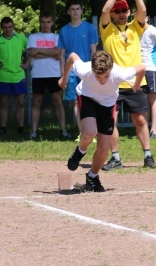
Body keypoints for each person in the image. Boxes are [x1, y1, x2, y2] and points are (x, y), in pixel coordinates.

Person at [61, 51, 145, 192]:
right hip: (87, 97)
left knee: (104, 147)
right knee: (90, 132)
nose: (102, 80)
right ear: (92, 70)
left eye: (106, 76)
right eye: (98, 76)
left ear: (111, 69)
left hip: (107, 104)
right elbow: (72, 56)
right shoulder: (85, 70)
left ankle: (92, 177)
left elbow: (142, 68)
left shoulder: (120, 73)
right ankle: (80, 151)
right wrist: (64, 79)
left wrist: (136, 85)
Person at [99, 0, 156, 169]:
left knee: (140, 119)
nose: (121, 14)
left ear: (128, 12)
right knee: (110, 121)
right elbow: (104, 10)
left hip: (134, 82)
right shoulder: (107, 29)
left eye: (124, 10)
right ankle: (115, 158)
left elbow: (143, 11)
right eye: (118, 11)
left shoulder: (135, 27)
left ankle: (148, 156)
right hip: (112, 83)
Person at [58, 0, 99, 141]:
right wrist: (63, 74)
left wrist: (95, 68)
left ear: (82, 10)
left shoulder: (89, 28)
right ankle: (82, 133)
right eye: (72, 9)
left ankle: (92, 132)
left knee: (91, 100)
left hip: (87, 69)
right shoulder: (64, 30)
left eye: (78, 9)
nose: (75, 12)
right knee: (76, 101)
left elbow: (93, 50)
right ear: (68, 12)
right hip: (71, 71)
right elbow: (62, 54)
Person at [25, 12, 70, 140]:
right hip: (38, 74)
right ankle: (34, 131)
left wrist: (39, 50)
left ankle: (63, 130)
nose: (45, 25)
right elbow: (33, 53)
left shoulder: (57, 37)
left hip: (54, 74)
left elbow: (58, 52)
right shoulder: (33, 37)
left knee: (57, 102)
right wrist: (51, 53)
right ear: (40, 22)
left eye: (48, 22)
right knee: (36, 102)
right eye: (43, 22)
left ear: (52, 23)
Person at [0, 17, 28, 135]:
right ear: (1, 28)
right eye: (5, 27)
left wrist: (26, 63)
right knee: (4, 103)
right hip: (3, 76)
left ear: (13, 27)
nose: (8, 30)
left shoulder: (22, 39)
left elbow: (31, 51)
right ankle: (3, 128)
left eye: (10, 27)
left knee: (20, 103)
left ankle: (21, 128)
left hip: (18, 76)